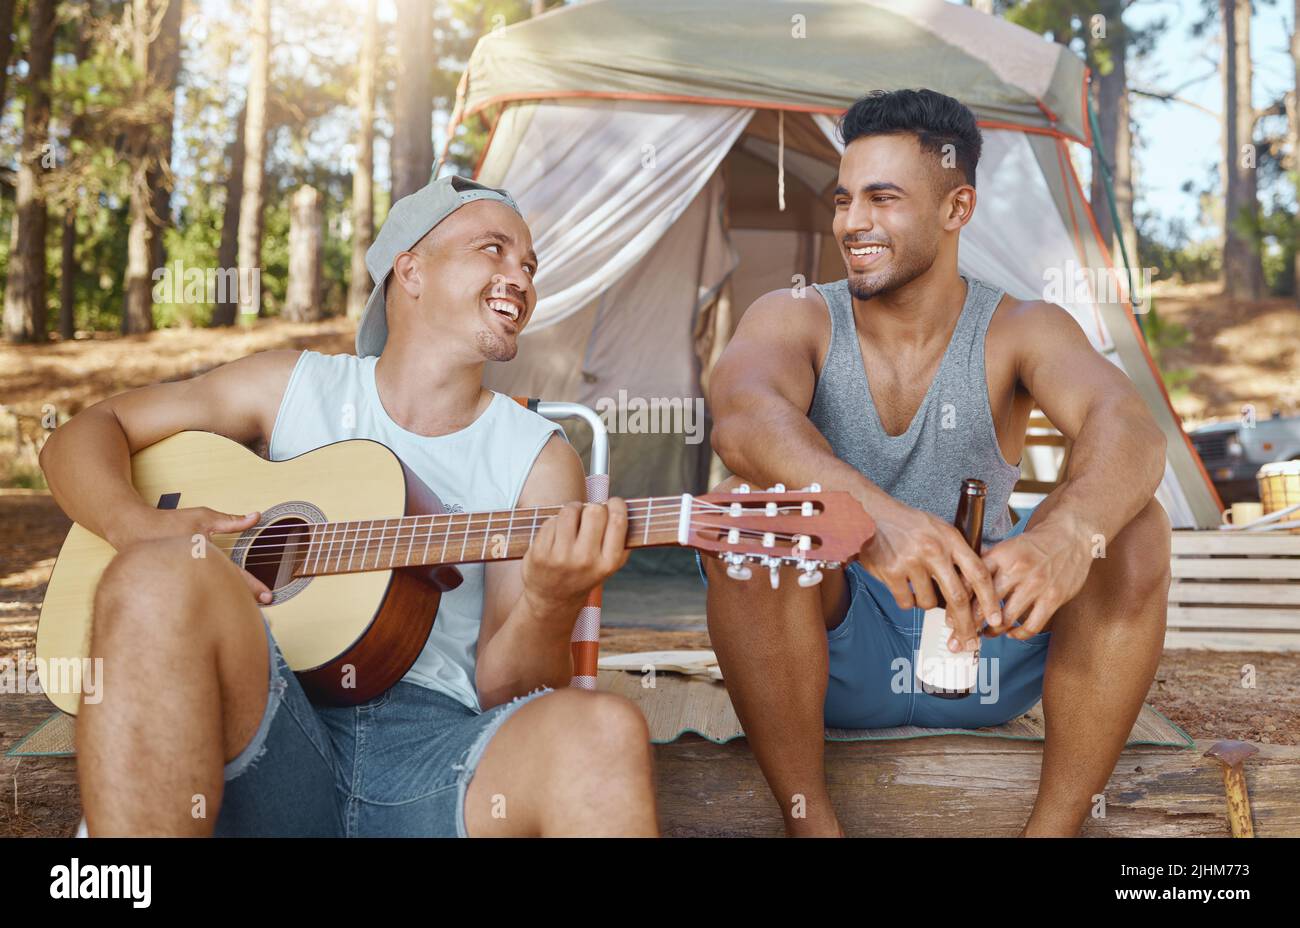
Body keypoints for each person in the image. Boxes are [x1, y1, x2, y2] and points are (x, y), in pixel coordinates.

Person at [41, 175, 658, 837]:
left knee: (603, 728)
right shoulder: (290, 387)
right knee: (156, 571)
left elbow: (509, 693)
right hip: (265, 727)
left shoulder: (540, 457)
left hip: (436, 760)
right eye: (494, 249)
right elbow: (82, 435)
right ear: (411, 269)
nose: (522, 276)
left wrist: (549, 601)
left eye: (529, 265)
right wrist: (139, 528)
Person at [703, 89, 1171, 837]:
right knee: (752, 514)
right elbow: (742, 417)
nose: (853, 223)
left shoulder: (1022, 327)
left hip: (985, 645)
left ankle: (1051, 831)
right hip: (830, 660)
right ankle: (810, 825)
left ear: (957, 209)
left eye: (883, 199)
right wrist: (876, 520)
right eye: (845, 199)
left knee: (1134, 528)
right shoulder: (795, 316)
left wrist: (1061, 536)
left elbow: (1133, 429)